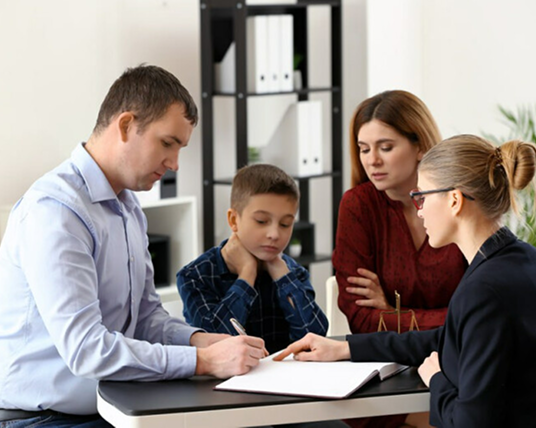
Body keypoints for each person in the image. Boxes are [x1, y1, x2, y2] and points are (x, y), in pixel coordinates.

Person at [0, 65, 267, 428]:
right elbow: (86, 351)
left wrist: (201, 342)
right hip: (43, 420)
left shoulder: (127, 207)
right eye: (168, 143)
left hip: (114, 406)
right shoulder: (56, 213)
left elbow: (144, 318)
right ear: (126, 125)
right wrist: (203, 362)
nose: (174, 163)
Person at [275, 134, 536, 428]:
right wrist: (346, 348)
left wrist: (436, 379)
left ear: (454, 200)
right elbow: (449, 339)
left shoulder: (483, 291)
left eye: (422, 196)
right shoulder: (524, 259)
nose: (419, 209)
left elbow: (470, 423)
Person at [333, 90, 467, 427]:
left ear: (420, 146)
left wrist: (393, 314)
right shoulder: (358, 206)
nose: (371, 160)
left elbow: (481, 319)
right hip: (387, 375)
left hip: (459, 366)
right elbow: (362, 323)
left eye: (385, 147)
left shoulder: (458, 202)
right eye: (364, 149)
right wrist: (449, 320)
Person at [177, 163, 329, 354]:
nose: (274, 234)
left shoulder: (292, 273)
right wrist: (247, 274)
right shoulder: (195, 275)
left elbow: (316, 338)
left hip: (284, 379)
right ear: (233, 220)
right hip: (221, 382)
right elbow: (214, 342)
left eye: (285, 224)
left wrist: (282, 276)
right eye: (261, 221)